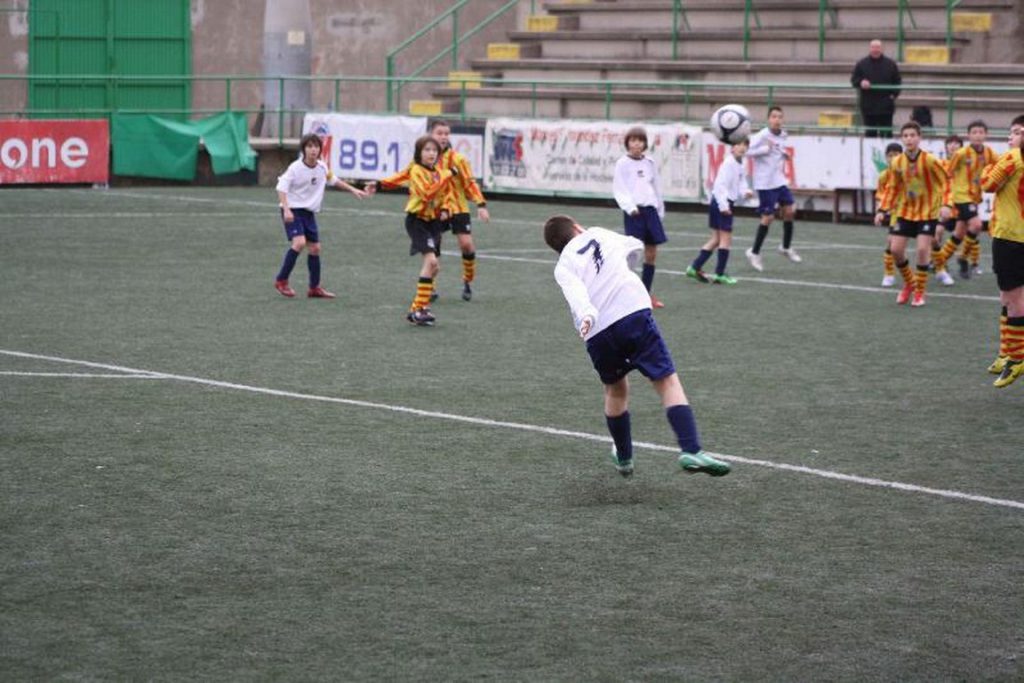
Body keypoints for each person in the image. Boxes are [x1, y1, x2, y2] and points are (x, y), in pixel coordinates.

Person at [543, 214, 731, 478]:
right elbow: (634, 245)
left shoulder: (562, 265)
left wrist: (587, 314)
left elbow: (575, 292)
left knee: (615, 390)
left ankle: (624, 456)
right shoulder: (597, 231)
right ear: (576, 227)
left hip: (597, 331)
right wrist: (628, 266)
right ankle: (691, 449)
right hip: (632, 311)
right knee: (666, 380)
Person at [369, 136, 457, 326]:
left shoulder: (439, 172)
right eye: (426, 150)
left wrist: (445, 209)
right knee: (431, 261)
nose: (431, 153)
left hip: (433, 222)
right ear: (419, 153)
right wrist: (447, 174)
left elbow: (445, 195)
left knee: (435, 267)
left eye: (434, 150)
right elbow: (427, 193)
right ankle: (416, 309)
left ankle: (422, 307)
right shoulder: (418, 170)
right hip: (417, 220)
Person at [274, 133, 368, 299]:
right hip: (293, 210)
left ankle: (314, 288)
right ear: (304, 149)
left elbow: (334, 180)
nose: (313, 150)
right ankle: (281, 280)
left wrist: (353, 189)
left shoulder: (322, 167)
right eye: (309, 146)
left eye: (316, 146)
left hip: (308, 212)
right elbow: (281, 188)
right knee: (299, 242)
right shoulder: (295, 168)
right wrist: (287, 209)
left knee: (315, 248)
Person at [875, 121, 952, 307]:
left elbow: (946, 181)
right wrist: (882, 210)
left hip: (927, 213)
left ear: (919, 138)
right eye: (906, 136)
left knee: (923, 249)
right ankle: (910, 283)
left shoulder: (930, 160)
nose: (909, 139)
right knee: (895, 250)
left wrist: (946, 204)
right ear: (902, 139)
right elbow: (892, 188)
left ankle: (919, 293)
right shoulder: (897, 162)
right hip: (905, 211)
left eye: (912, 135)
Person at [980, 114, 1024, 387]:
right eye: (1010, 132)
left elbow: (986, 184)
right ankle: (1006, 353)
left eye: (1017, 132)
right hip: (1013, 235)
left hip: (1011, 236)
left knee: (1014, 297)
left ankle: (1017, 359)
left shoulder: (1012, 159)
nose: (1011, 136)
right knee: (1007, 296)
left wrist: (992, 166)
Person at [431, 120, 490, 302]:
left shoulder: (458, 159)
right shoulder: (426, 159)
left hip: (458, 207)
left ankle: (467, 281)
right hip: (436, 209)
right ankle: (430, 287)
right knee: (433, 246)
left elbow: (470, 183)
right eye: (439, 133)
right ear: (431, 135)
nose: (443, 136)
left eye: (446, 133)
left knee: (466, 244)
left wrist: (480, 205)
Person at [934, 121, 998, 281]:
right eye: (974, 132)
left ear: (986, 135)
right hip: (961, 196)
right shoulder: (961, 153)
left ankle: (937, 261)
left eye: (981, 132)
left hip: (974, 197)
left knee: (959, 233)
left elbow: (1000, 166)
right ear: (969, 135)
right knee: (976, 225)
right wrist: (946, 201)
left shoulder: (989, 153)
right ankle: (962, 258)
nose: (977, 135)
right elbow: (947, 173)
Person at [612, 126, 667, 308]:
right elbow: (619, 188)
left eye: (640, 140)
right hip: (634, 213)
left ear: (644, 144)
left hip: (651, 211)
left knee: (651, 254)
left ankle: (646, 295)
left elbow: (656, 187)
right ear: (627, 143)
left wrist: (660, 209)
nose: (636, 144)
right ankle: (620, 292)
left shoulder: (649, 163)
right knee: (633, 253)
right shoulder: (622, 163)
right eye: (633, 140)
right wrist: (630, 207)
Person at [687, 138, 753, 285]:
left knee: (716, 239)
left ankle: (694, 267)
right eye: (739, 144)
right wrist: (724, 206)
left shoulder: (741, 163)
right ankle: (719, 274)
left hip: (722, 203)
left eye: (745, 145)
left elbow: (741, 182)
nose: (742, 147)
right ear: (732, 147)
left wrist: (746, 191)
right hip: (721, 203)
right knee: (725, 239)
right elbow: (719, 185)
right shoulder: (729, 163)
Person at [744, 106, 800, 271]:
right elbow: (747, 151)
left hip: (779, 181)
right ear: (768, 119)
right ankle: (754, 252)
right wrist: (764, 149)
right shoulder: (761, 136)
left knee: (789, 211)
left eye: (780, 117)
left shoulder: (783, 134)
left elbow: (777, 147)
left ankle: (785, 247)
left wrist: (784, 154)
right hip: (765, 183)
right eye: (774, 117)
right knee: (768, 218)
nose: (777, 120)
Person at [851, 39, 902, 138]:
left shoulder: (890, 64)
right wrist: (861, 82)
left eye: (878, 47)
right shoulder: (862, 64)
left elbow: (897, 81)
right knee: (870, 134)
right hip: (868, 106)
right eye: (873, 47)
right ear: (870, 49)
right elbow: (854, 80)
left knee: (886, 134)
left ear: (882, 49)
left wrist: (893, 95)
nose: (875, 50)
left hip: (886, 106)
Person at [877, 142, 902, 287]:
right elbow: (881, 194)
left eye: (896, 155)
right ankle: (888, 274)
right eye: (890, 155)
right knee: (891, 243)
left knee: (933, 240)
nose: (893, 158)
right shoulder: (883, 176)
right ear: (886, 158)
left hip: (916, 212)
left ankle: (940, 269)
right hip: (896, 214)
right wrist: (880, 210)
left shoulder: (908, 172)